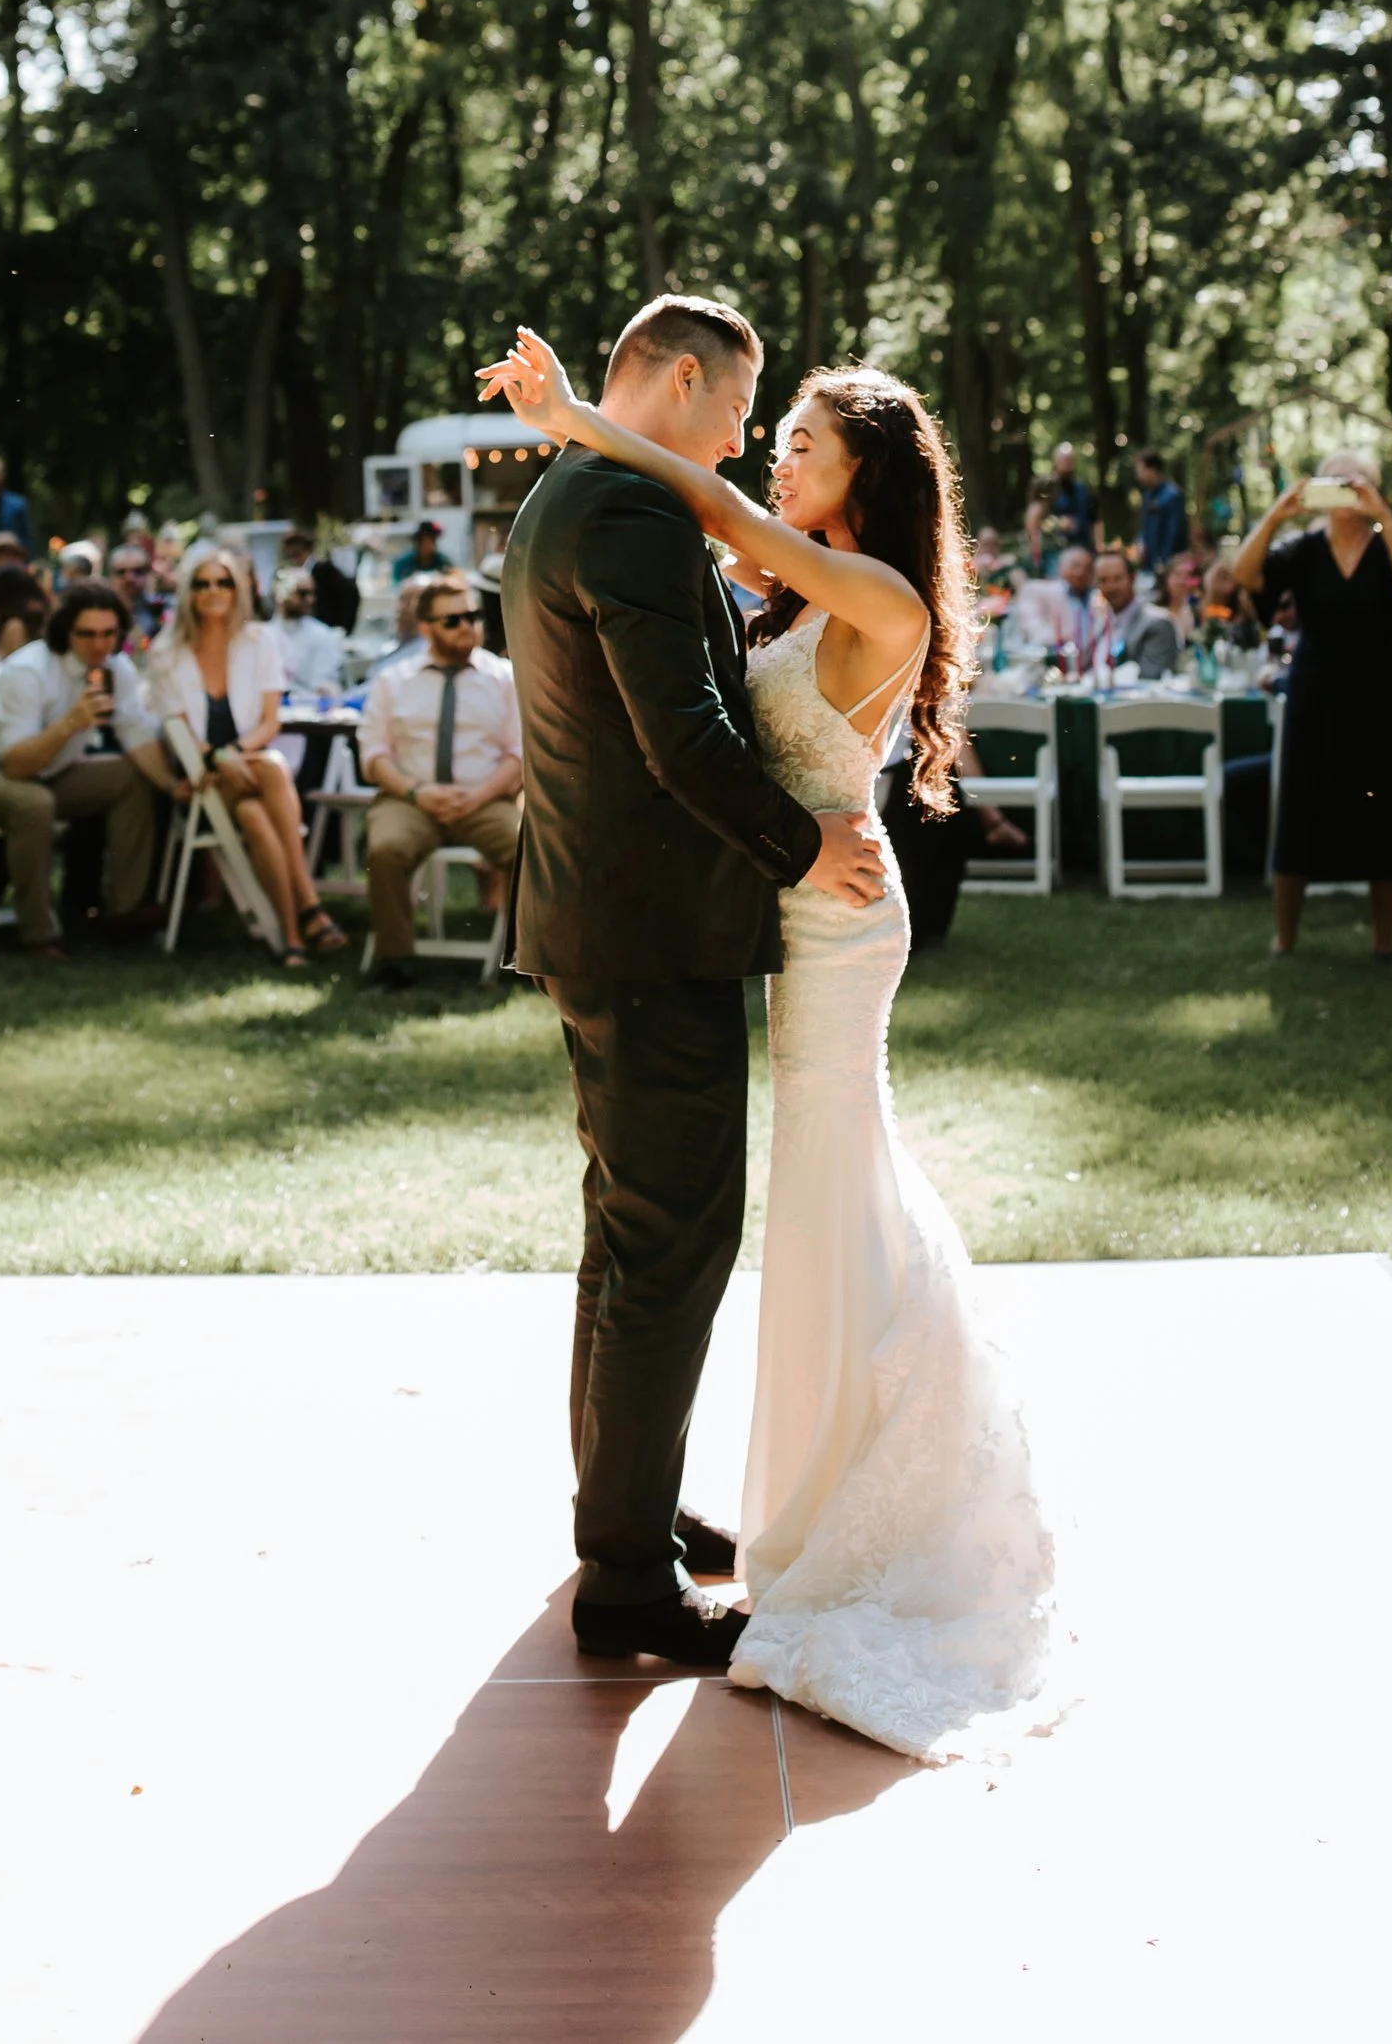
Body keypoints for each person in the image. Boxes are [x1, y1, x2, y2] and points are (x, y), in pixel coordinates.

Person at [481, 306, 1055, 1764]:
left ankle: (640, 1508)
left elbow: (726, 546)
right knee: (666, 1235)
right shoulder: (632, 505)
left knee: (660, 1227)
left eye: (797, 438)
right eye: (752, 415)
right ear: (684, 381)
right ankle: (627, 1558)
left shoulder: (605, 499)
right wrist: (797, 846)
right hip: (688, 921)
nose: (754, 446)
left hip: (741, 922)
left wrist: (571, 419)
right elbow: (684, 730)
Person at [1237, 455, 1392, 958]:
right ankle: (1286, 936)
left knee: (1381, 812)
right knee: (1301, 809)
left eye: (1357, 479)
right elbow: (1244, 573)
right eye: (1337, 479)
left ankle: (1384, 939)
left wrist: (1383, 515)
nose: (1347, 488)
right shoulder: (1302, 550)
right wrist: (1277, 514)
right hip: (1316, 689)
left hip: (1380, 691)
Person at [0, 582, 176, 962]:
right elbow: (16, 763)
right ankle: (38, 933)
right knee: (33, 802)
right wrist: (69, 725)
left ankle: (124, 910)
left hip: (52, 772)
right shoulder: (29, 670)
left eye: (108, 634)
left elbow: (137, 736)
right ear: (65, 630)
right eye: (87, 634)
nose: (99, 645)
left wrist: (174, 786)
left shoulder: (117, 669)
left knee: (132, 775)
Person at [147, 547, 346, 966]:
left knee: (258, 810)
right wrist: (219, 757)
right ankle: (309, 911)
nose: (213, 591)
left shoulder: (260, 641)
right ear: (188, 592)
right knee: (272, 771)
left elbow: (270, 722)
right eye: (202, 584)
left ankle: (291, 938)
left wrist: (235, 753)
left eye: (223, 582)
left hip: (250, 762)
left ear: (238, 589)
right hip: (203, 773)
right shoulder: (166, 651)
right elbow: (177, 727)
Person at [357, 569, 526, 989]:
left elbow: (519, 755)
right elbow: (375, 756)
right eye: (453, 620)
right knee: (386, 847)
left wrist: (477, 798)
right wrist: (419, 792)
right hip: (411, 799)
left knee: (530, 845)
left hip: (486, 800)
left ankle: (524, 957)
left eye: (472, 615)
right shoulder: (392, 681)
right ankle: (395, 960)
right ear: (426, 627)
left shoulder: (504, 678)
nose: (467, 626)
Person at [1079, 544, 1178, 682]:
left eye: (1117, 578)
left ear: (1132, 579)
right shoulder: (1099, 621)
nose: (1111, 586)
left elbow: (1149, 680)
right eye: (1104, 580)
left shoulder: (1158, 623)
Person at [1009, 541, 1092, 665]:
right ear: (1060, 568)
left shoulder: (1096, 597)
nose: (1081, 573)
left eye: (1088, 568)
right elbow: (1036, 633)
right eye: (1076, 566)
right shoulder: (1040, 591)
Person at [275, 575, 349, 701]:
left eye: (312, 593)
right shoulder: (266, 634)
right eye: (302, 594)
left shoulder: (322, 635)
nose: (310, 599)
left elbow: (323, 686)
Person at [1132, 450, 1186, 577]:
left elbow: (1175, 532)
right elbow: (1144, 526)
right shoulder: (1147, 495)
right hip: (1149, 566)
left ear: (1153, 470)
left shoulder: (1172, 495)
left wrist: (1165, 560)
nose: (1138, 476)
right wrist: (1140, 542)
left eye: (1140, 471)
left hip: (1167, 566)